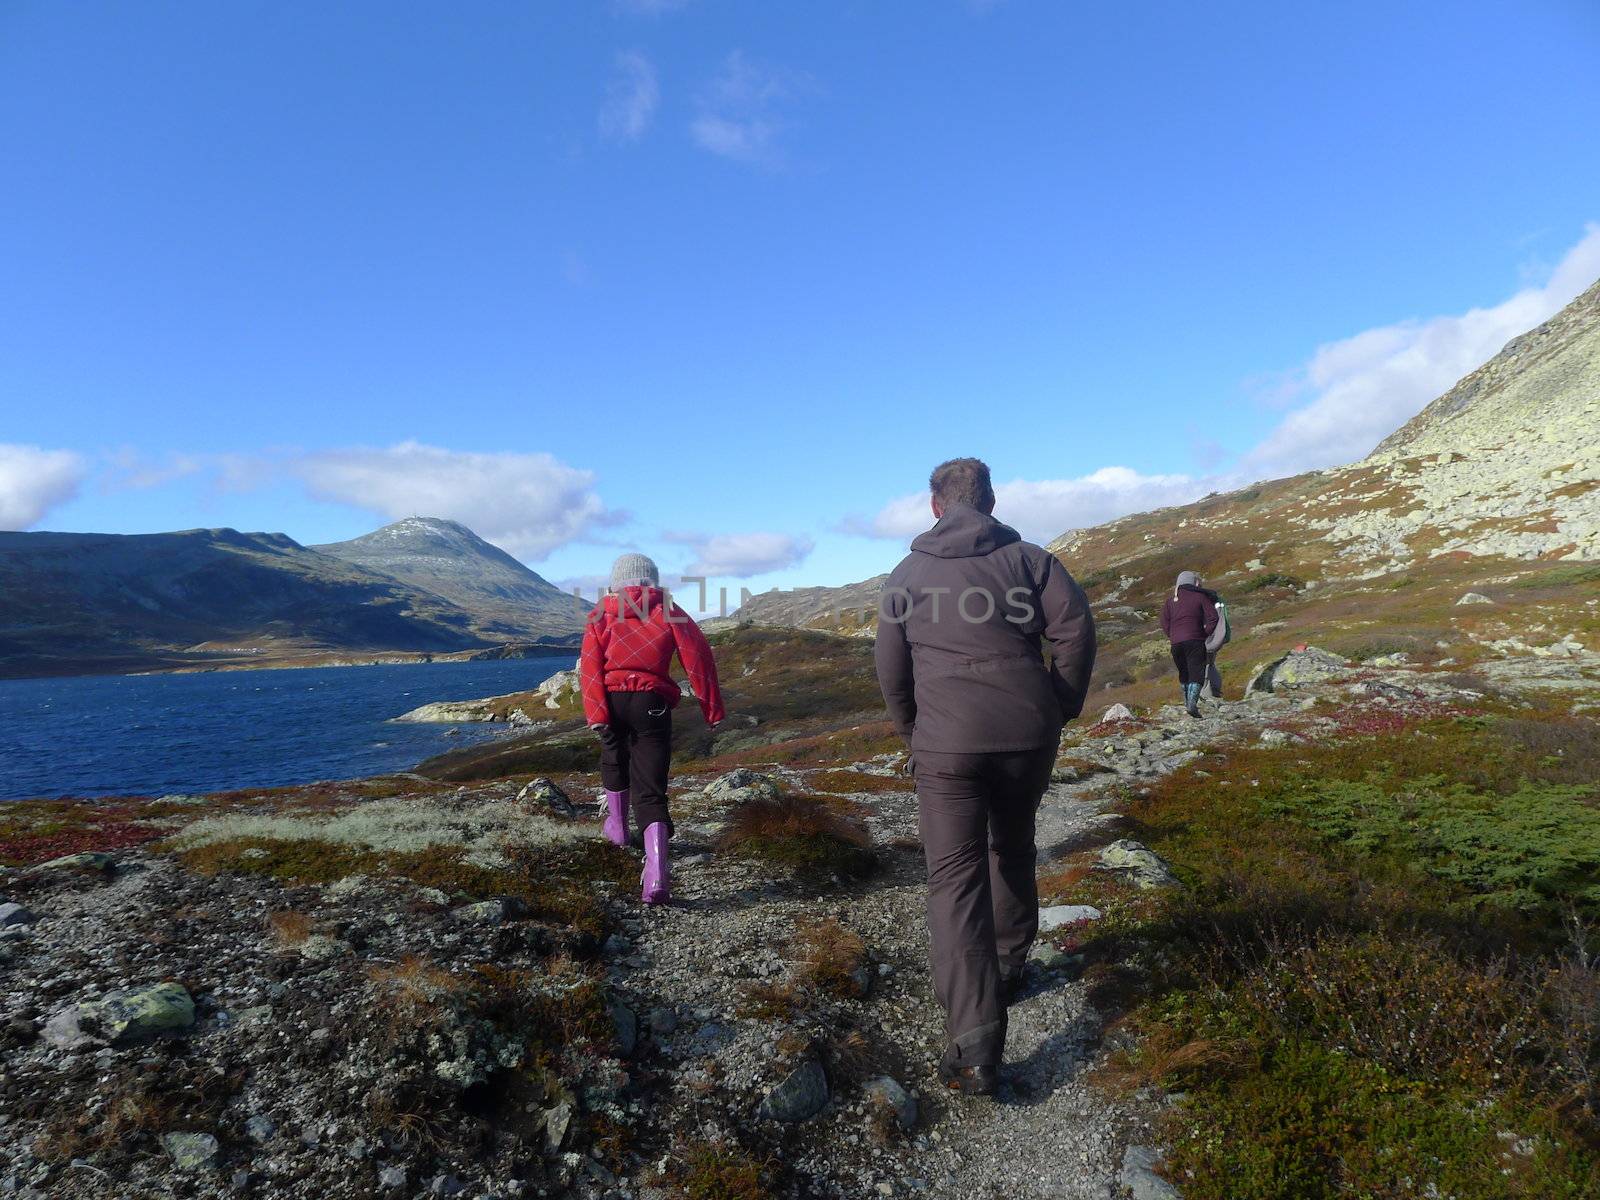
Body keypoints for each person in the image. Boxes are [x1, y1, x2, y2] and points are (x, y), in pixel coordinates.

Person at [874, 458, 1096, 1097]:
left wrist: (913, 729)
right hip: (1027, 731)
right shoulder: (1031, 560)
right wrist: (1059, 703)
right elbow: (1075, 631)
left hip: (945, 745)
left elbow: (891, 667)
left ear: (935, 504)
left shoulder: (908, 574)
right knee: (1013, 843)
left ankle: (975, 1045)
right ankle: (1006, 965)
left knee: (954, 878)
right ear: (991, 500)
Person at [580, 553, 725, 905]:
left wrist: (596, 712)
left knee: (613, 759)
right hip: (652, 704)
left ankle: (617, 830)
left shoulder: (601, 612)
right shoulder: (669, 609)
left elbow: (589, 665)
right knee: (651, 786)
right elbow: (698, 655)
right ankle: (657, 870)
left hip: (612, 701)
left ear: (616, 582)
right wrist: (711, 708)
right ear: (652, 582)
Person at [1160, 570, 1218, 717]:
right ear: (1193, 582)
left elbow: (1164, 622)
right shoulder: (1200, 597)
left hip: (1176, 643)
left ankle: (1187, 703)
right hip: (1195, 641)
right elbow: (1213, 617)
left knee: (1184, 674)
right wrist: (1205, 633)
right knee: (1196, 673)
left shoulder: (1169, 601)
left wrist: (1172, 635)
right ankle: (1191, 705)